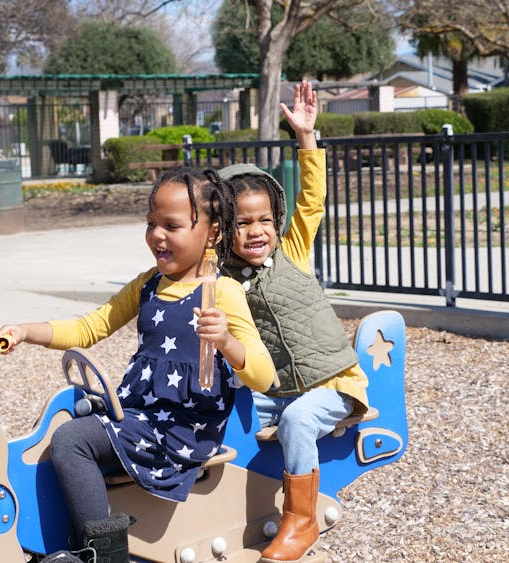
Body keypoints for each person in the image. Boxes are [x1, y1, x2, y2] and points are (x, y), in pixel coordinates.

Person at [0, 167, 275, 563]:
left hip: (179, 428)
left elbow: (263, 374)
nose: (157, 235)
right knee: (67, 422)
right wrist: (27, 330)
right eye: (151, 223)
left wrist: (226, 341)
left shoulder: (221, 292)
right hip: (142, 414)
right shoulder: (147, 283)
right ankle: (61, 542)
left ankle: (106, 556)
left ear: (211, 234)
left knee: (71, 440)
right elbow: (91, 326)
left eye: (171, 225)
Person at [218, 80, 370, 563]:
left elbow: (312, 201)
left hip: (333, 384)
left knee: (300, 419)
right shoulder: (221, 277)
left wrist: (306, 138)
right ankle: (206, 493)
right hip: (278, 390)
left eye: (264, 220)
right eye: (242, 223)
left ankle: (300, 519)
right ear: (223, 229)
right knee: (220, 409)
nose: (256, 231)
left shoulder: (294, 251)